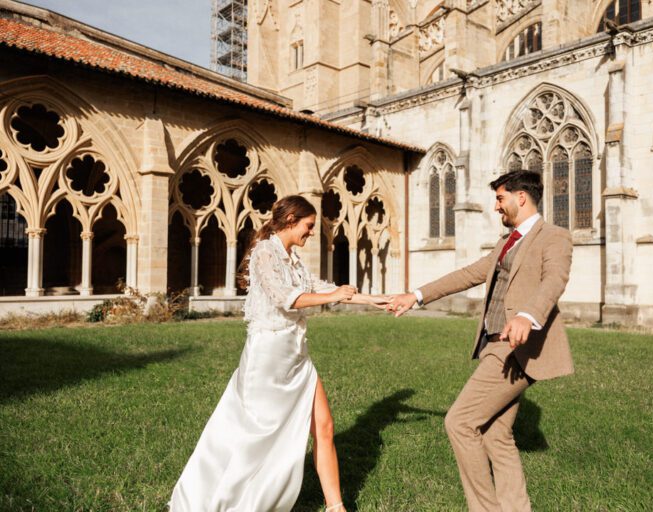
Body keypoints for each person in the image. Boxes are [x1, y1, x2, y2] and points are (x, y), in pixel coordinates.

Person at [170, 195, 390, 512]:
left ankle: (335, 506)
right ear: (290, 221)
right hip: (268, 358)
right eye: (309, 226)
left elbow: (319, 287)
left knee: (324, 426)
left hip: (297, 353)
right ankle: (228, 499)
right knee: (257, 437)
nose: (311, 232)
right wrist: (332, 294)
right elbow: (285, 298)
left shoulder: (293, 259)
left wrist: (374, 300)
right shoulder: (264, 253)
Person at [388, 170, 574, 512]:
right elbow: (467, 274)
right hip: (493, 344)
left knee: (459, 422)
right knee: (495, 435)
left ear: (521, 197)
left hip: (515, 347)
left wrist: (528, 316)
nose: (496, 207)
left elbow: (554, 280)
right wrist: (415, 295)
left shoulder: (555, 237)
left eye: (500, 198)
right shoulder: (507, 243)